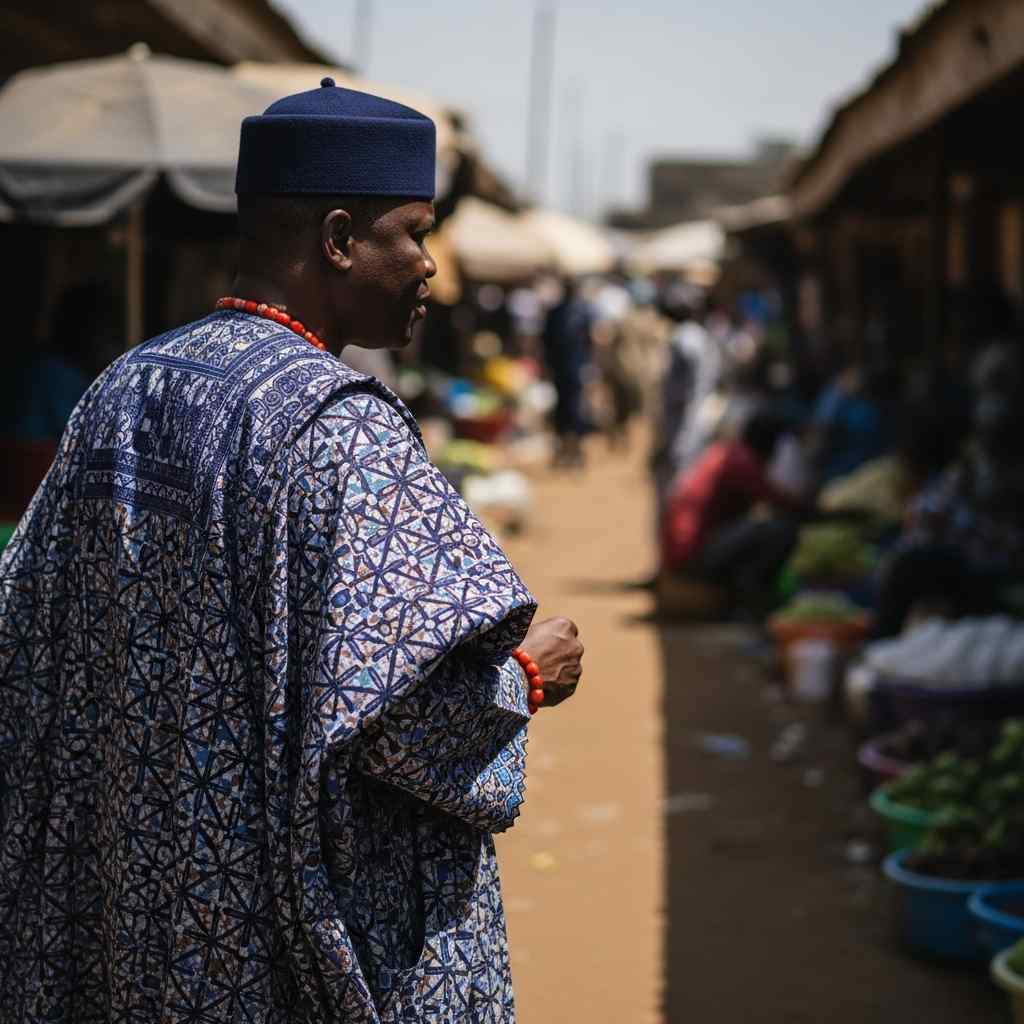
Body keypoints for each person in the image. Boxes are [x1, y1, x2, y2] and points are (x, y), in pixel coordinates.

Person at [0, 80, 584, 1023]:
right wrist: (524, 675)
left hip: (127, 911)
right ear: (341, 238)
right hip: (261, 941)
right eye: (417, 234)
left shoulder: (124, 387)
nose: (432, 268)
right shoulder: (338, 428)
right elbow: (404, 722)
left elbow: (24, 630)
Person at [661, 407, 805, 615]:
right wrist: (824, 512)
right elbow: (781, 502)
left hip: (682, 548)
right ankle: (752, 603)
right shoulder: (740, 461)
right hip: (692, 553)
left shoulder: (724, 452)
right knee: (778, 531)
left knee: (761, 528)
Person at [541, 276, 594, 468]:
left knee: (577, 410)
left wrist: (589, 366)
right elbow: (546, 341)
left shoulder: (583, 312)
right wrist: (547, 366)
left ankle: (577, 450)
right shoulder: (555, 312)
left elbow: (589, 342)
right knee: (561, 410)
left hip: (577, 369)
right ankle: (563, 450)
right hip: (559, 369)